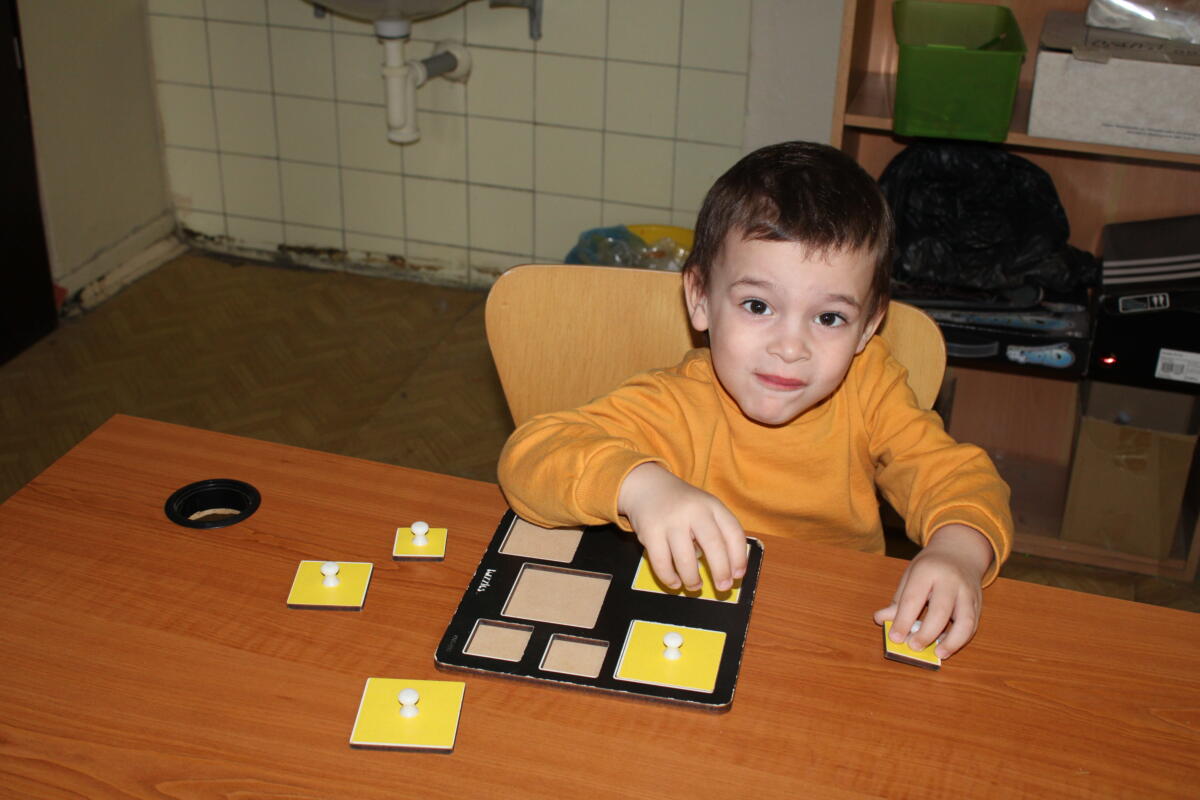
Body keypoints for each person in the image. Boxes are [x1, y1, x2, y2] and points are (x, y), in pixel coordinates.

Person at [498, 141, 1012, 659]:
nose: (790, 348)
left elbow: (957, 476)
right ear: (700, 298)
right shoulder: (678, 403)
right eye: (758, 306)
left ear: (867, 327)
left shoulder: (871, 389)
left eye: (829, 318)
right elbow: (532, 454)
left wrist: (958, 552)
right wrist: (640, 485)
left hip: (831, 627)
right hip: (694, 625)